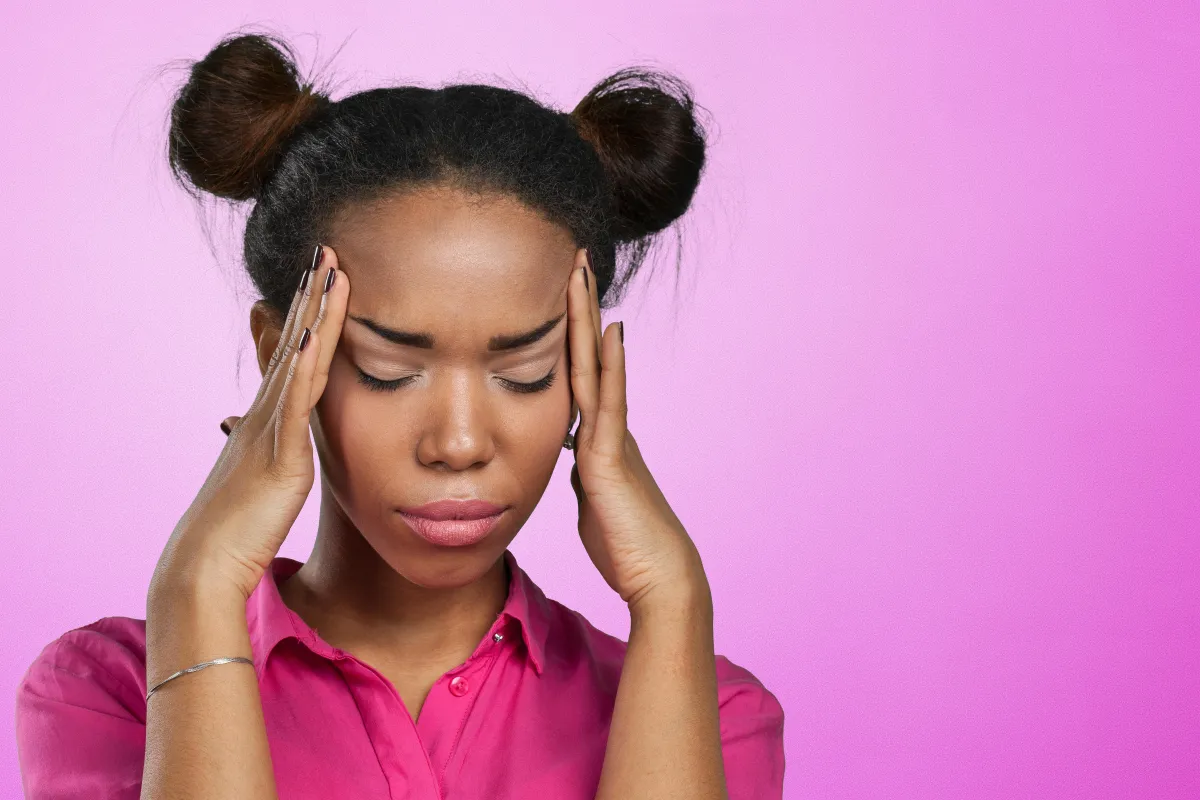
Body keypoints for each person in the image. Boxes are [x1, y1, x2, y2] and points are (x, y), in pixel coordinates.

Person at [14, 31, 785, 799]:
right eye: (389, 371)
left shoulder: (709, 717)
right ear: (284, 356)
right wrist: (198, 584)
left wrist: (674, 595)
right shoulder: (111, 693)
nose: (459, 443)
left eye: (525, 373)